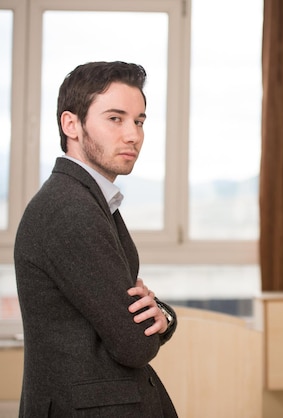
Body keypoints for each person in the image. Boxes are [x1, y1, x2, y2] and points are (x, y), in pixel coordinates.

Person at [14, 61, 178, 417]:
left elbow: (127, 314)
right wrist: (161, 320)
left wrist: (160, 314)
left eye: (139, 121)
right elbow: (134, 344)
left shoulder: (87, 200)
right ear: (71, 124)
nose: (133, 135)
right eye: (115, 118)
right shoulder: (70, 209)